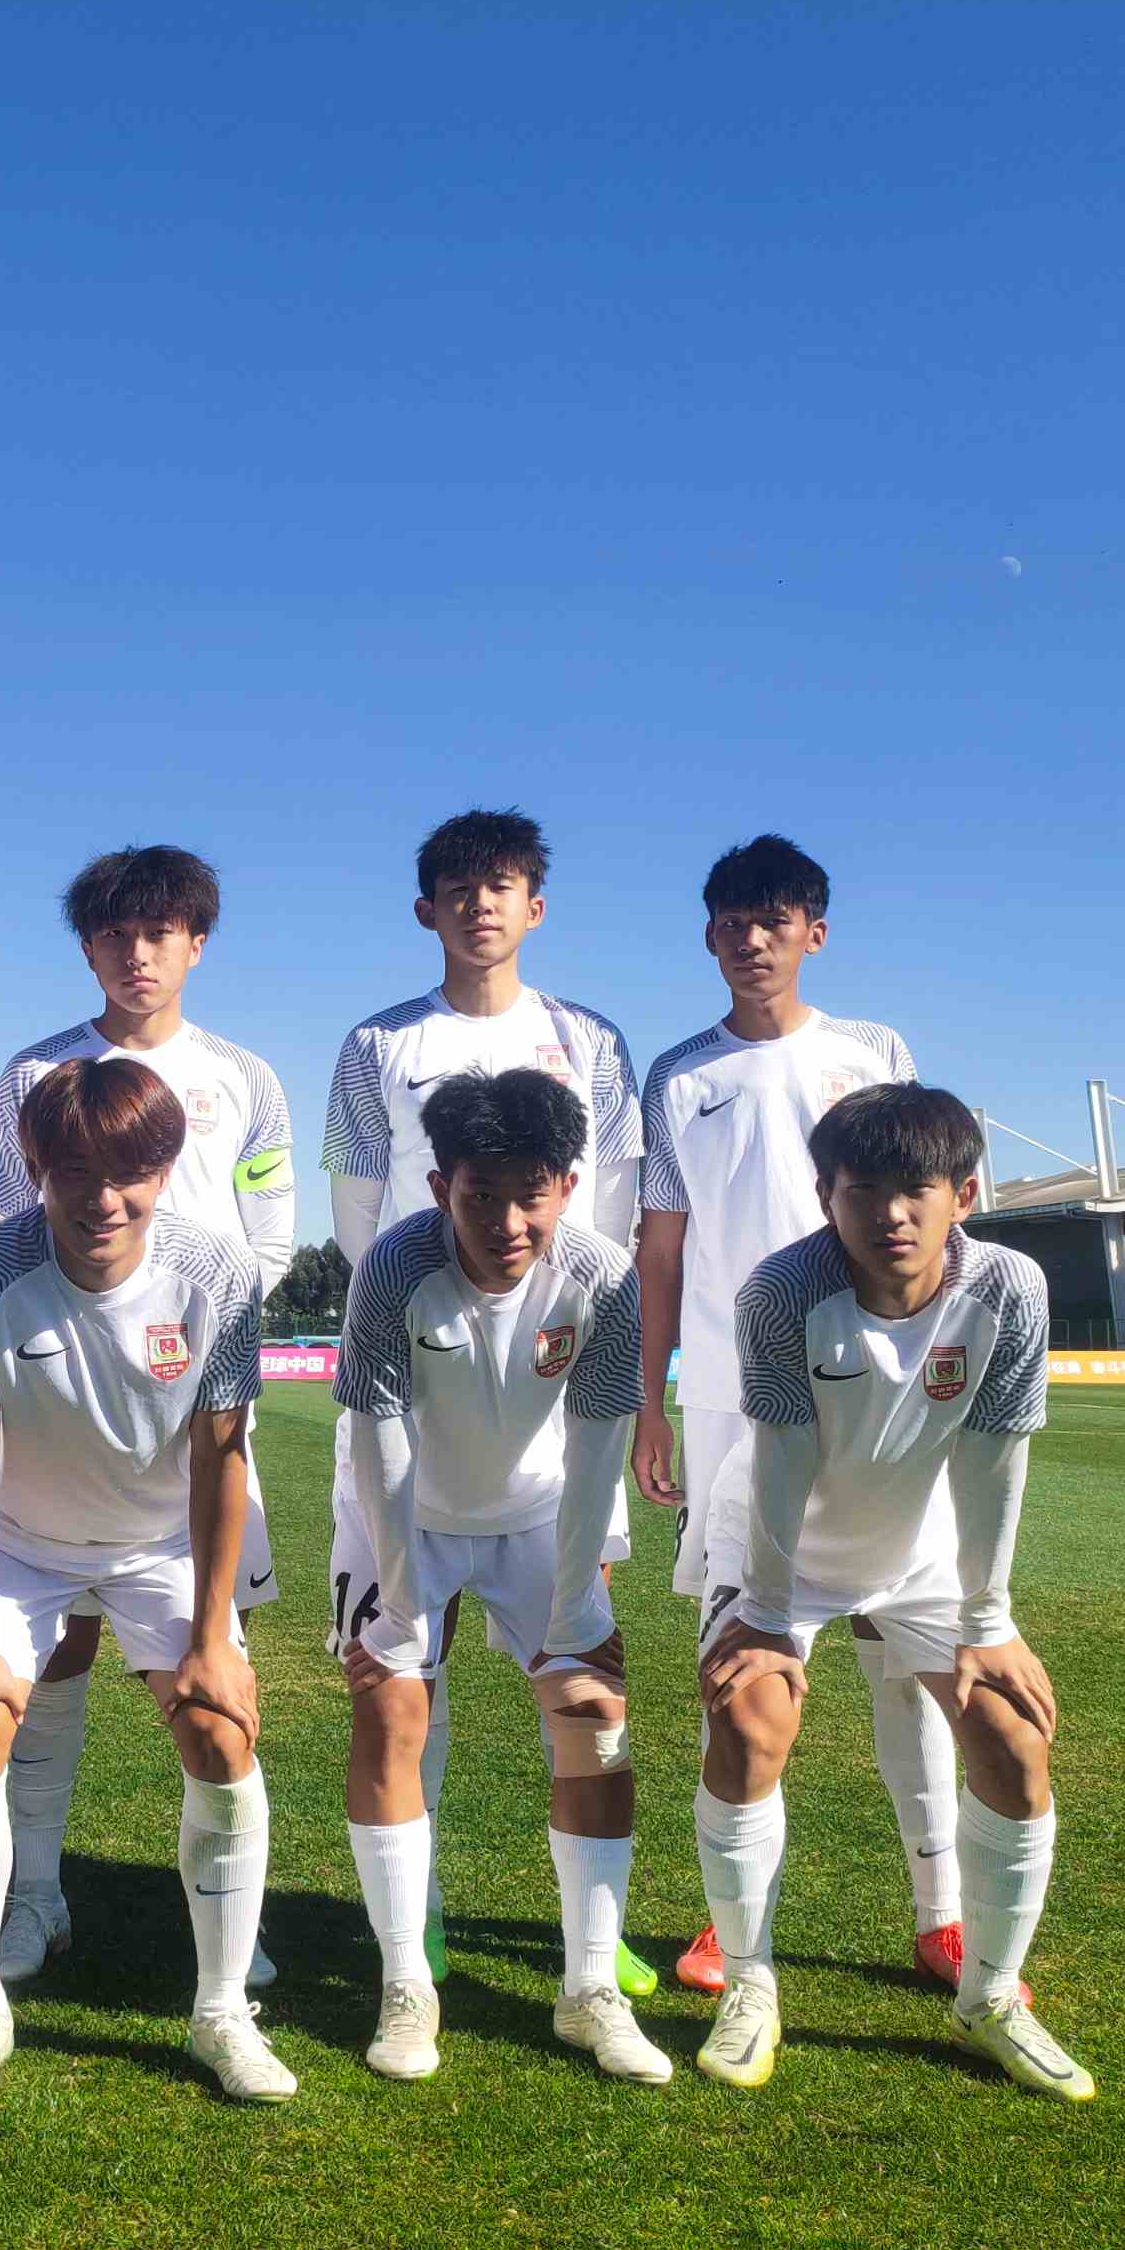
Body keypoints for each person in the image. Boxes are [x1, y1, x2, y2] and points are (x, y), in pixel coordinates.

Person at [692, 1082, 1091, 2101]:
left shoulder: (1009, 1288)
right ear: (825, 1195)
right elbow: (781, 1460)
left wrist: (988, 1621)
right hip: (776, 1544)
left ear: (964, 1194)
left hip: (921, 1549)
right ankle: (750, 1985)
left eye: (916, 1189)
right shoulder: (782, 1291)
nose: (891, 1214)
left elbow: (995, 1458)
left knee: (1013, 1737)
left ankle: (989, 2000)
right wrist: (766, 1614)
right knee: (750, 1722)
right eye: (861, 1189)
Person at [319, 807, 655, 2001]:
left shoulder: (589, 1039)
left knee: (585, 1692)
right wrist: (436, 1310)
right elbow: (357, 1208)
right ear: (426, 908)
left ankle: (593, 1942)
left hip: (545, 1405)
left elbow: (606, 1207)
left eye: (500, 885)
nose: (478, 905)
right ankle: (414, 1933)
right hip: (420, 1371)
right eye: (457, 888)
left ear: (534, 906)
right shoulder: (378, 1043)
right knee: (405, 1686)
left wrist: (539, 1306)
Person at [630, 834, 968, 1999]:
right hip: (735, 1403)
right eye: (731, 921)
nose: (751, 939)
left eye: (773, 920)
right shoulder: (677, 1075)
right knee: (737, 1660)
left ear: (812, 934)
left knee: (904, 1646)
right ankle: (726, 1919)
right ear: (707, 936)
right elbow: (660, 1251)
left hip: (878, 1387)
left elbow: (928, 1212)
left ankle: (941, 1914)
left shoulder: (872, 1051)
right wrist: (651, 1402)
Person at [0, 1058, 292, 2107]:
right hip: (24, 1542)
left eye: (128, 1172)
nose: (102, 1199)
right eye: (73, 1172)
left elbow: (221, 1456)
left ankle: (222, 2011)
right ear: (34, 1167)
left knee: (220, 1733)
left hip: (158, 1543)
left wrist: (213, 1635)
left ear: (164, 1171)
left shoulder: (215, 1271)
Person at [0, 845, 291, 1990]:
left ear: (195, 943)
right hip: (54, 1405)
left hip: (186, 1395)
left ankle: (229, 1924)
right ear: (87, 948)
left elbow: (268, 1234)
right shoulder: (31, 1073)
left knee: (204, 1670)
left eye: (158, 933)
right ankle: (35, 1898)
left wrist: (184, 1335)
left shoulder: (244, 1078)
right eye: (113, 935)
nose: (136, 954)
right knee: (47, 1661)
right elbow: (2, 1230)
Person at [335, 1069, 668, 2086]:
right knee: (392, 1711)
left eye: (531, 1194)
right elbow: (379, 1440)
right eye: (481, 1195)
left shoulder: (602, 1275)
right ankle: (407, 1981)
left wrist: (572, 1605)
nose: (507, 1223)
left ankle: (589, 1990)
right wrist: (399, 1602)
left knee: (592, 1713)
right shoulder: (394, 1266)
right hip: (405, 1517)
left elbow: (597, 1441)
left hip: (536, 1517)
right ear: (442, 1187)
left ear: (566, 1185)